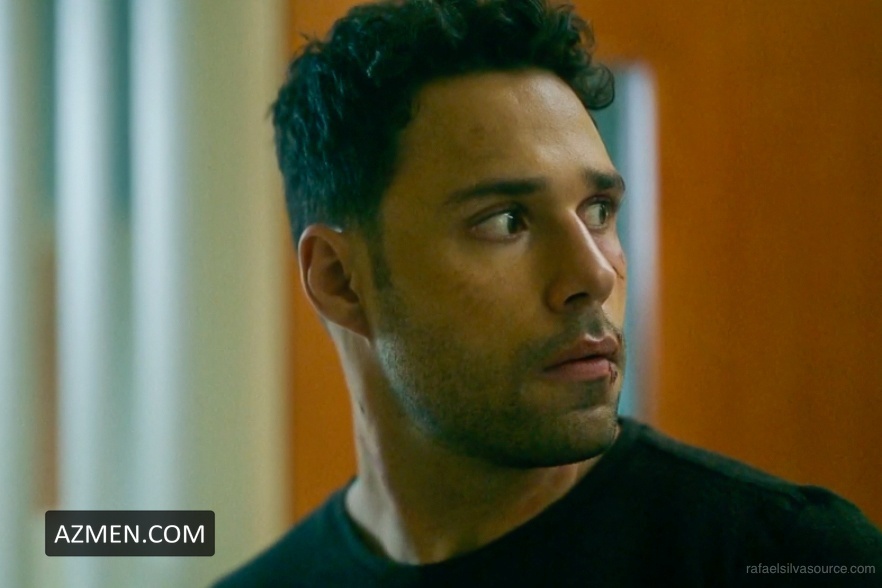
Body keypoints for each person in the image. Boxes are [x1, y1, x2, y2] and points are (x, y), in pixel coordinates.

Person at [216, 0, 882, 585]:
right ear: (339, 279)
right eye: (506, 221)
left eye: (598, 211)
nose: (594, 274)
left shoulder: (790, 559)